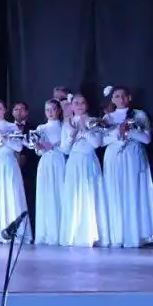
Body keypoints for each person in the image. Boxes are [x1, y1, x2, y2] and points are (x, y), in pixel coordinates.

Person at [101, 86, 153, 248]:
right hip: (114, 157)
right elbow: (102, 141)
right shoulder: (107, 117)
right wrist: (117, 133)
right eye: (116, 96)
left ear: (129, 97)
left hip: (133, 156)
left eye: (123, 96)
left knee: (134, 191)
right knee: (115, 192)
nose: (120, 99)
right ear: (112, 99)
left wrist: (129, 131)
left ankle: (135, 234)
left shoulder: (139, 115)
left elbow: (147, 139)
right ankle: (117, 234)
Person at [59, 94, 108, 247]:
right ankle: (74, 234)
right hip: (74, 162)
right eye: (76, 103)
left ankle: (91, 234)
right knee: (74, 196)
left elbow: (97, 143)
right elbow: (65, 149)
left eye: (82, 102)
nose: (79, 105)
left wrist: (85, 130)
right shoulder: (67, 124)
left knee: (91, 195)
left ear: (86, 105)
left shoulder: (94, 121)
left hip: (89, 160)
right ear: (71, 106)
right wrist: (72, 136)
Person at [0, 100, 30, 243]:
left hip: (8, 163)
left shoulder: (12, 126)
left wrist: (4, 139)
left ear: (4, 110)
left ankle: (14, 231)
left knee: (11, 195)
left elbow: (18, 147)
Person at [31, 99, 67, 246]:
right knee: (46, 195)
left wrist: (53, 146)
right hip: (45, 163)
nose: (50, 112)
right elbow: (38, 151)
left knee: (60, 193)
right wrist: (39, 147)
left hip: (60, 162)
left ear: (59, 110)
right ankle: (46, 233)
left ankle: (61, 233)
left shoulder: (64, 126)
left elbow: (66, 147)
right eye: (47, 110)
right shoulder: (41, 128)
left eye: (53, 109)